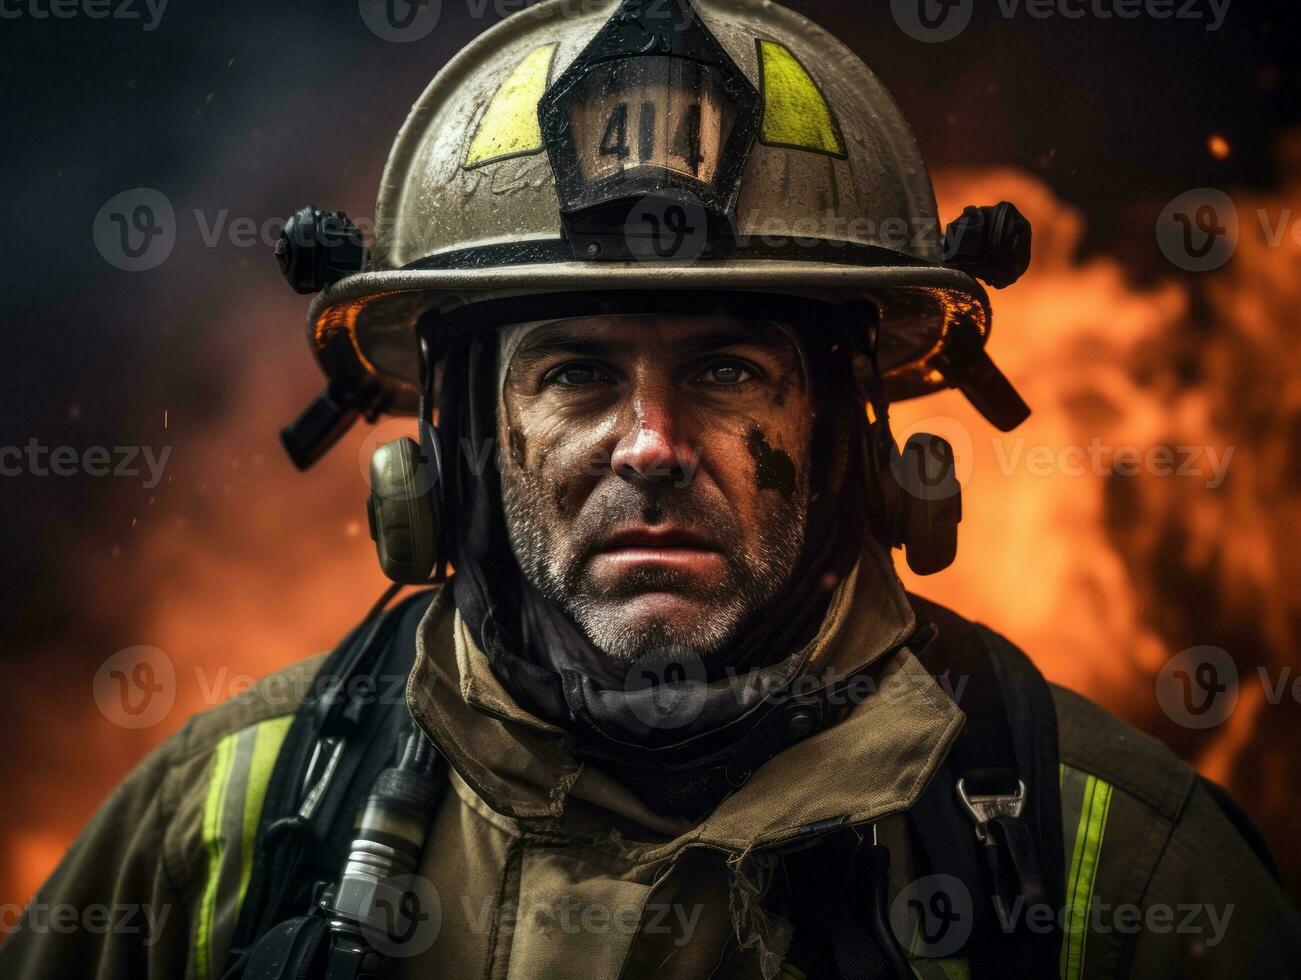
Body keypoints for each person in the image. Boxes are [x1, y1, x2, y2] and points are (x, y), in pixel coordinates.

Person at [4, 0, 1298, 977]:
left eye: (728, 369)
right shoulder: (225, 827)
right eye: (573, 373)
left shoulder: (1108, 861)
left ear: (858, 438)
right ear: (445, 448)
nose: (649, 444)